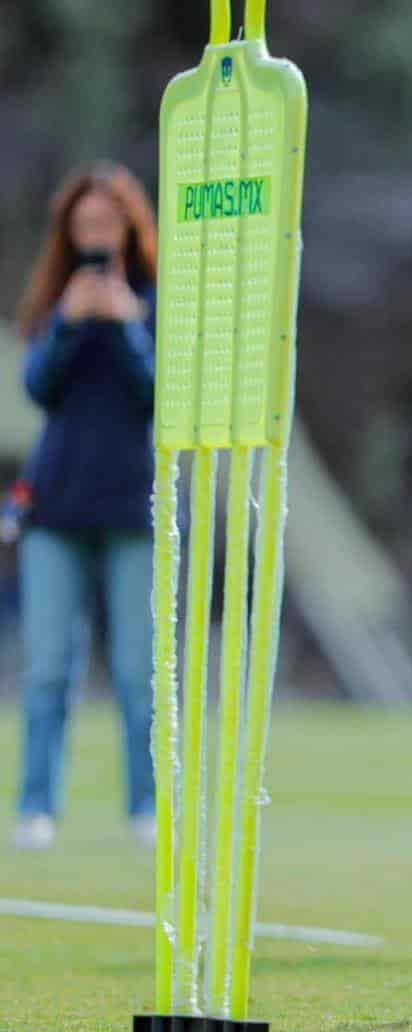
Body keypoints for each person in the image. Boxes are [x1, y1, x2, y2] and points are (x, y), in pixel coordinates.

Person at [11, 165, 159, 851]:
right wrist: (70, 324)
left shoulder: (157, 301)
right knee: (46, 670)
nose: (97, 236)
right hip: (57, 508)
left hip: (133, 506)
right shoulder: (54, 303)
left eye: (108, 223)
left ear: (131, 226)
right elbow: (38, 388)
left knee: (137, 671)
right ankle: (37, 808)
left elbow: (157, 392)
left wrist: (128, 324)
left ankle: (146, 808)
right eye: (85, 226)